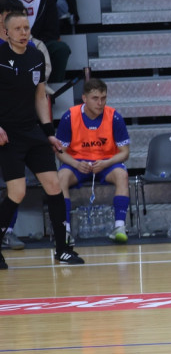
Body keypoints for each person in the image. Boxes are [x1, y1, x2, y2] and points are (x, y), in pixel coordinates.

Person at [0, 10, 84, 270]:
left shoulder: (36, 56)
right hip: (8, 134)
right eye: (18, 29)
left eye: (26, 28)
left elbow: (40, 97)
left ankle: (63, 249)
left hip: (32, 131)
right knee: (18, 191)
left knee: (54, 185)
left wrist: (48, 132)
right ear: (6, 33)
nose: (24, 33)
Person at [54, 77, 131, 242]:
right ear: (84, 98)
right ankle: (65, 230)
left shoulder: (114, 117)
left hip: (105, 162)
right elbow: (60, 151)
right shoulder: (70, 116)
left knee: (122, 175)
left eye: (103, 98)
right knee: (61, 177)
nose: (100, 103)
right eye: (95, 98)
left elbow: (125, 152)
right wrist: (76, 164)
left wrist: (106, 163)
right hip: (77, 164)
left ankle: (119, 226)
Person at [13, 0, 70, 83]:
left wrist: (35, 44)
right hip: (14, 45)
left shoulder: (48, 2)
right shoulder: (11, 3)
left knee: (61, 48)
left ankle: (55, 85)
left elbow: (53, 33)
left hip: (43, 44)